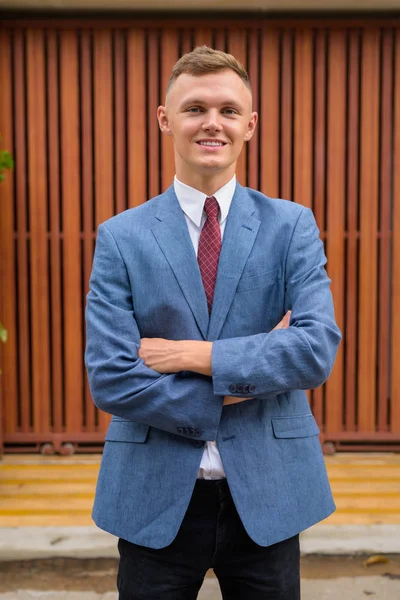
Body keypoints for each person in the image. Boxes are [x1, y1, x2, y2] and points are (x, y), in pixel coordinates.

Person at [85, 46, 341, 600]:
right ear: (164, 119)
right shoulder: (120, 237)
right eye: (195, 107)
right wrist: (250, 374)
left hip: (270, 493)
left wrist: (190, 357)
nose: (211, 123)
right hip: (152, 496)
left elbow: (314, 350)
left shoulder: (292, 226)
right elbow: (111, 377)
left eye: (228, 110)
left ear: (250, 125)